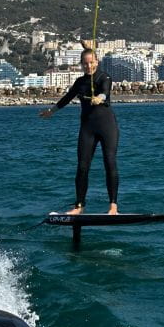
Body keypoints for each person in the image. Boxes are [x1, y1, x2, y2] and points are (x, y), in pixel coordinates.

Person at [40, 47, 119, 215]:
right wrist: (51, 111)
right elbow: (66, 99)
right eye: (85, 63)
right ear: (81, 64)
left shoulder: (104, 77)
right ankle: (79, 206)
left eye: (91, 62)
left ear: (97, 62)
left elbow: (105, 91)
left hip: (107, 126)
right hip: (87, 128)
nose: (88, 66)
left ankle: (113, 206)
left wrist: (100, 98)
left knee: (109, 162)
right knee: (82, 167)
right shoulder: (79, 82)